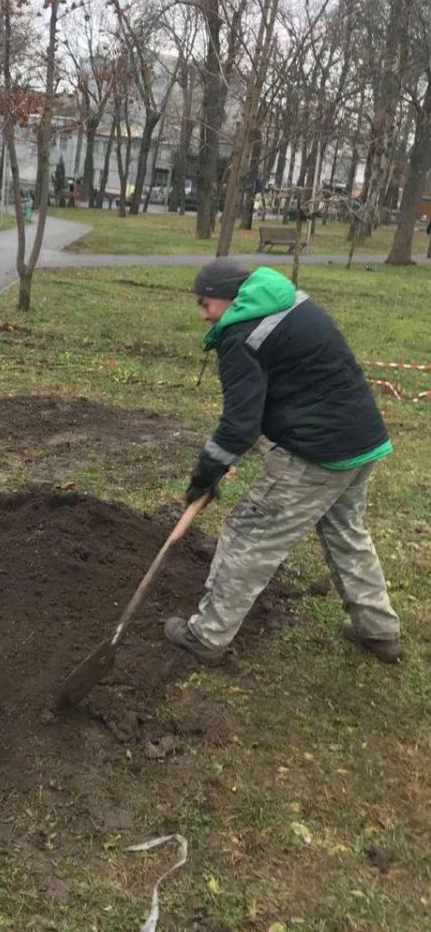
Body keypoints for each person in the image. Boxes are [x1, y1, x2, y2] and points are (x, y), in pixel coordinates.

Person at [165, 258, 401, 667]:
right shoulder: (287, 301)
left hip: (317, 452)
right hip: (362, 439)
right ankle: (379, 631)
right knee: (346, 532)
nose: (203, 315)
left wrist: (205, 473)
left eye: (205, 304)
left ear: (228, 295)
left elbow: (240, 426)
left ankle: (207, 635)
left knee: (247, 536)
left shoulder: (241, 335)